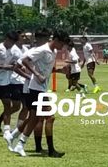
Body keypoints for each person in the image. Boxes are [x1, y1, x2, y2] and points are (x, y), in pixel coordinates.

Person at [9, 30, 71, 158]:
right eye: (62, 44)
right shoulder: (42, 50)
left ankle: (17, 140)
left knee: (34, 118)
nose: (62, 48)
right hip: (35, 88)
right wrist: (36, 74)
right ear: (57, 40)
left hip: (40, 88)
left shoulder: (52, 52)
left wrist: (60, 71)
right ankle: (50, 150)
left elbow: (46, 70)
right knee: (49, 117)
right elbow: (25, 60)